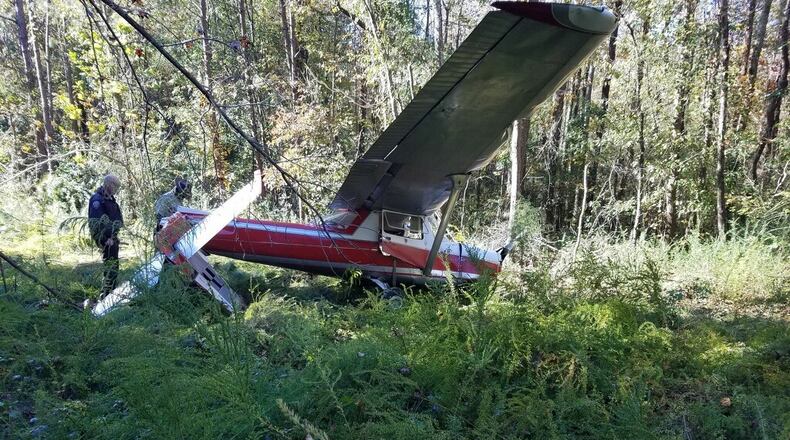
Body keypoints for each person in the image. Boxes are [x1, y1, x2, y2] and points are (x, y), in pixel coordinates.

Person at [88, 174, 123, 300]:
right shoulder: (97, 200)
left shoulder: (110, 199)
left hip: (113, 239)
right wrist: (103, 239)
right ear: (108, 184)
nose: (116, 189)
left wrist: (115, 236)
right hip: (106, 240)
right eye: (115, 186)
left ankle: (111, 292)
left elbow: (116, 218)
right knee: (109, 266)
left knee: (114, 266)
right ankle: (106, 295)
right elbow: (95, 222)